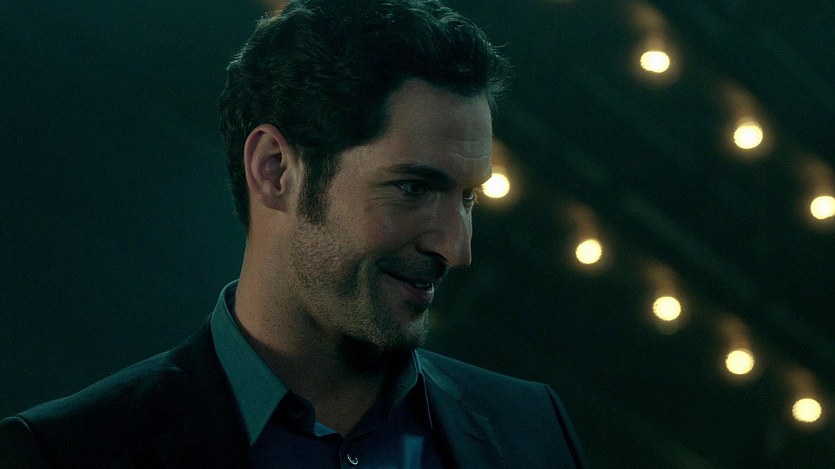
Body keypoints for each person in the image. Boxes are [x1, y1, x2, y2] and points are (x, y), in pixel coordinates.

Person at [0, 0, 585, 467]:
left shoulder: (531, 431)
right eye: (412, 187)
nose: (456, 250)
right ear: (274, 170)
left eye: (468, 198)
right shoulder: (64, 453)